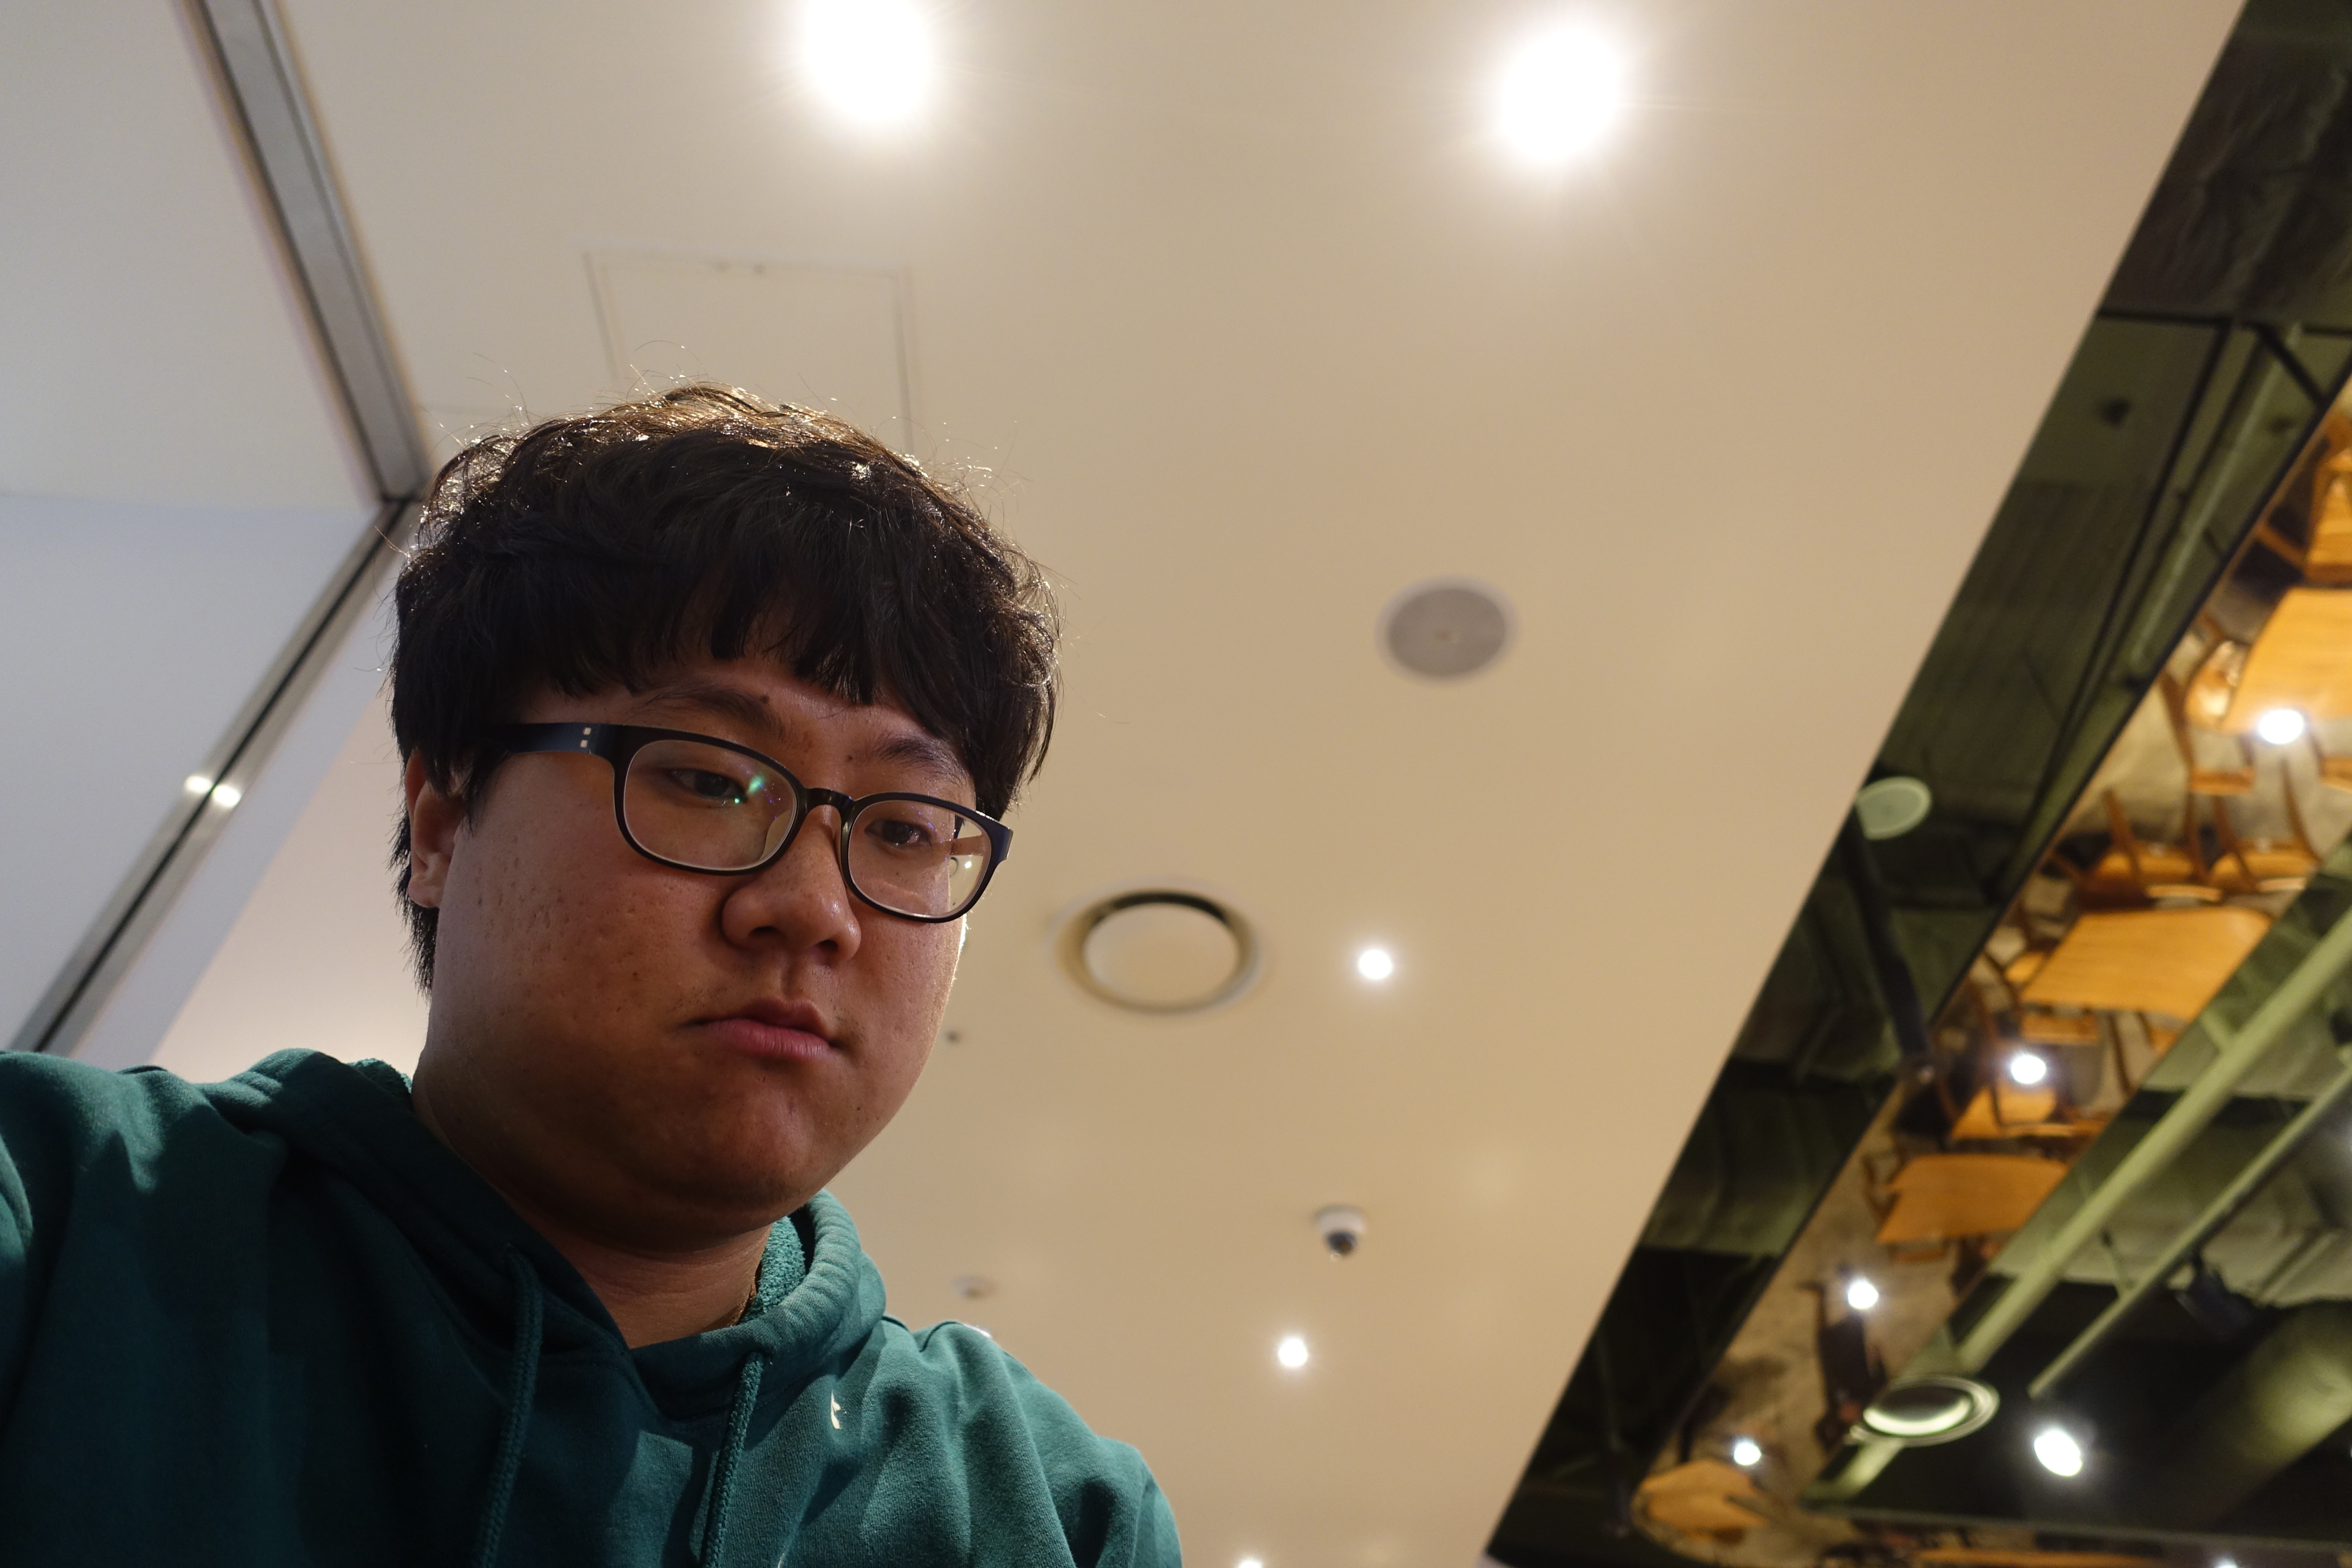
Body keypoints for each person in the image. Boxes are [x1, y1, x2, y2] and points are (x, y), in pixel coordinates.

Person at [0, 386, 1180, 1566]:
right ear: (442, 820)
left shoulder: (1051, 1514)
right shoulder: (64, 1224)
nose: (816, 910)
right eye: (708, 779)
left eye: (907, 828)